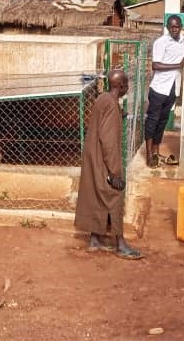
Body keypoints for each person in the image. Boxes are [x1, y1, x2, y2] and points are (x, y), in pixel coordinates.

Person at [74, 69, 143, 259]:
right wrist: (115, 172)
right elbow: (110, 143)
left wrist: (119, 115)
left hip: (92, 156)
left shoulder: (104, 99)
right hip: (103, 159)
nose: (127, 87)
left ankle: (95, 240)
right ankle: (120, 244)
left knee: (97, 195)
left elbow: (104, 117)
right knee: (114, 195)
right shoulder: (112, 106)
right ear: (121, 86)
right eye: (126, 84)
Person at [144, 14, 184, 168]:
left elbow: (179, 58)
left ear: (181, 27)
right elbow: (156, 65)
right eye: (172, 27)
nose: (175, 29)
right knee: (153, 120)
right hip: (159, 88)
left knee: (163, 120)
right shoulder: (161, 42)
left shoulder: (182, 41)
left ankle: (156, 151)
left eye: (177, 27)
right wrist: (178, 64)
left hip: (173, 87)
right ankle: (148, 154)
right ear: (167, 27)